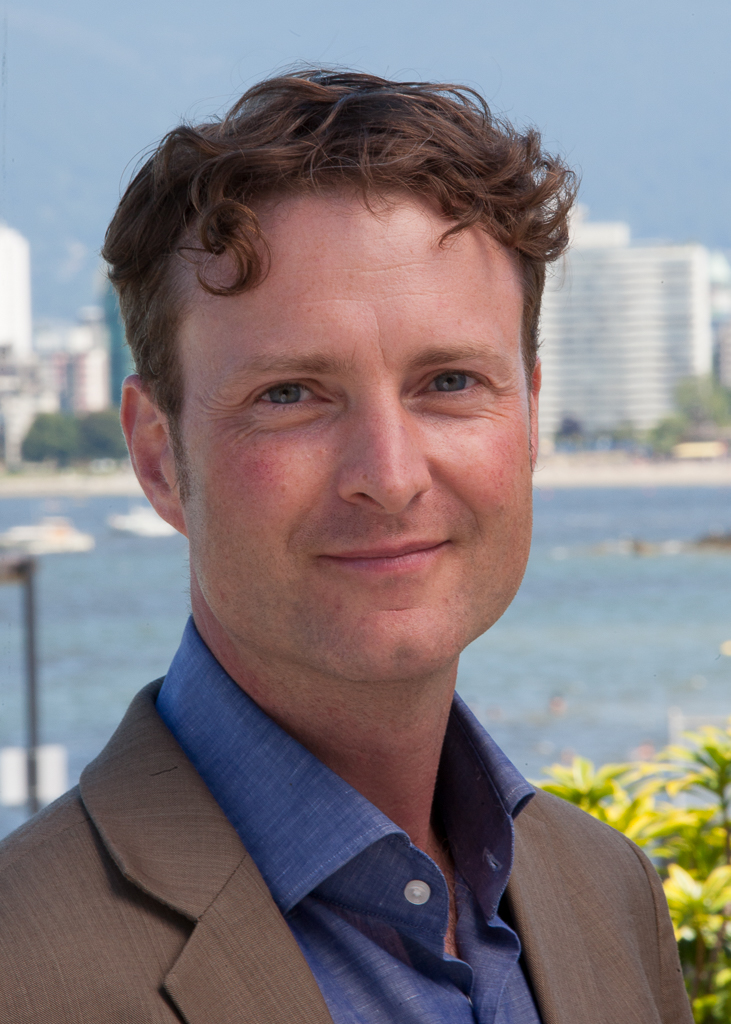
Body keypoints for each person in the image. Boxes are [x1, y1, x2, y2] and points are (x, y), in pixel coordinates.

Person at [0, 70, 690, 1024]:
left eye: (449, 381)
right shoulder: (22, 967)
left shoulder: (606, 890)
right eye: (290, 394)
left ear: (530, 418)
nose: (390, 475)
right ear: (159, 457)